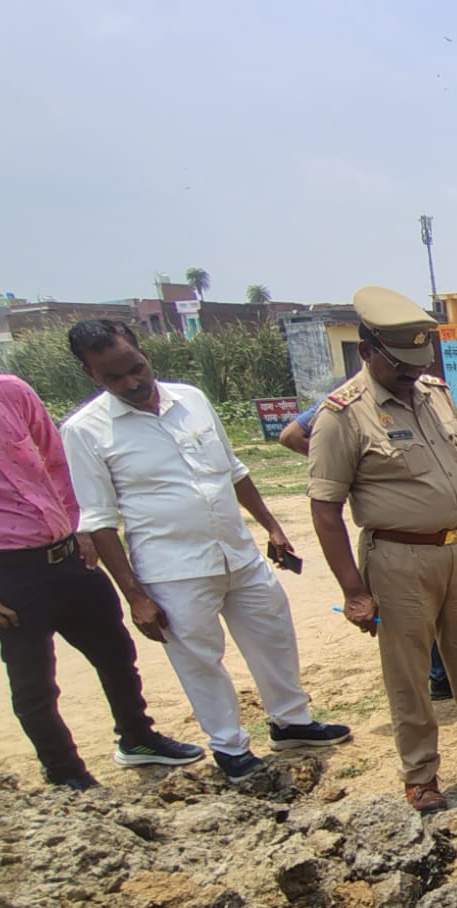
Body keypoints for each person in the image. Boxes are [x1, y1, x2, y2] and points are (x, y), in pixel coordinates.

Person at [62, 320, 348, 782]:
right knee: (200, 658)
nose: (132, 383)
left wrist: (272, 526)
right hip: (173, 570)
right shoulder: (85, 431)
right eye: (114, 377)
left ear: (143, 353)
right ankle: (230, 746)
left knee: (272, 633)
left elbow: (233, 470)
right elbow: (98, 522)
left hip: (238, 554)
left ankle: (291, 722)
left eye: (136, 368)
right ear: (91, 374)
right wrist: (135, 595)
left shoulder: (190, 399)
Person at [307, 286, 457, 813]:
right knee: (408, 673)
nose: (412, 374)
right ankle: (421, 774)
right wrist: (354, 592)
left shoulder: (433, 394)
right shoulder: (343, 415)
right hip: (398, 560)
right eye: (400, 366)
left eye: (417, 363)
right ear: (367, 352)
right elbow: (324, 510)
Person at [0, 372, 202, 789]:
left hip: (68, 555)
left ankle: (138, 738)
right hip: (1, 572)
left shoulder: (7, 392)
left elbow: (57, 462)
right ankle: (66, 773)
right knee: (34, 682)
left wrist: (81, 527)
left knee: (117, 654)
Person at [279, 399, 451, 702]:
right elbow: (290, 436)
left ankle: (441, 675)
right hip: (396, 541)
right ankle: (437, 677)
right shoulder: (345, 403)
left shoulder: (423, 395)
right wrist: (345, 464)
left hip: (444, 538)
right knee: (411, 615)